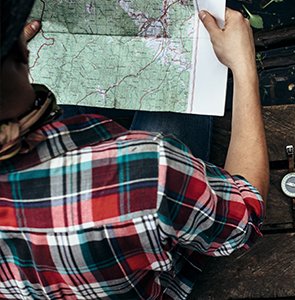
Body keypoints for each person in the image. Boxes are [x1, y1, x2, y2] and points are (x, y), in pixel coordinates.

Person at [0, 0, 269, 299]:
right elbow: (246, 216)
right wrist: (244, 67)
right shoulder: (151, 173)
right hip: (145, 272)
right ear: (20, 52)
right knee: (180, 77)